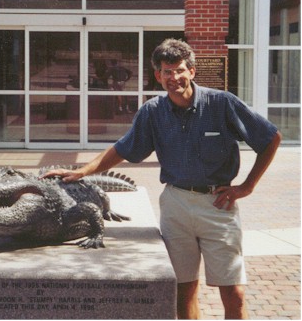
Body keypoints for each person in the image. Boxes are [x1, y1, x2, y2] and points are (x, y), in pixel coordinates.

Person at [42, 38, 281, 319]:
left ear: (191, 71)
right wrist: (82, 171)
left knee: (234, 294)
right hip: (176, 204)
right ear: (158, 76)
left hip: (219, 206)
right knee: (183, 290)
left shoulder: (222, 104)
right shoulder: (153, 112)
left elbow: (270, 138)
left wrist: (247, 186)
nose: (174, 77)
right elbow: (123, 148)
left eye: (179, 70)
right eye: (167, 72)